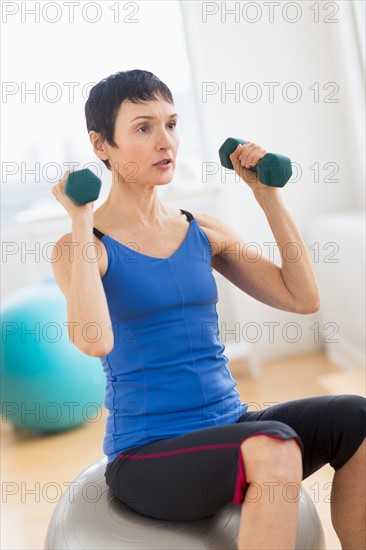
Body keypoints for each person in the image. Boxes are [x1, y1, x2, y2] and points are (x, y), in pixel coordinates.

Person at [51, 69, 365, 550]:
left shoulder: (202, 230)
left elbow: (302, 299)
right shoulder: (85, 246)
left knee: (356, 418)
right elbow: (95, 339)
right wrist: (80, 219)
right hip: (147, 454)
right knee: (275, 444)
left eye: (172, 124)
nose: (165, 142)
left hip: (229, 427)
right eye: (143, 127)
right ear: (100, 144)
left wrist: (268, 197)